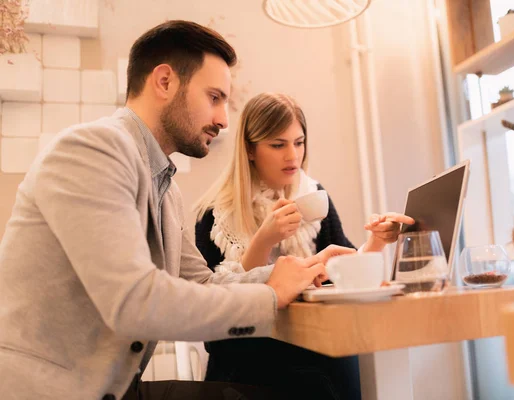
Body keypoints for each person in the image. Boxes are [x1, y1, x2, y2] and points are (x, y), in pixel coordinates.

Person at [0, 21, 354, 400]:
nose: (223, 119)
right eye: (214, 97)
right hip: (52, 392)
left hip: (118, 389)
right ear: (165, 81)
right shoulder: (93, 150)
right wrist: (270, 295)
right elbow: (135, 301)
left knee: (312, 388)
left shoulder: (166, 189)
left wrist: (292, 273)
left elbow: (200, 284)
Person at [195, 92, 415, 399]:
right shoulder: (215, 215)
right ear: (249, 149)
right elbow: (214, 320)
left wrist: (377, 240)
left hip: (311, 348)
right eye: (277, 144)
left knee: (342, 357)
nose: (292, 156)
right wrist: (264, 240)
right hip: (244, 359)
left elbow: (344, 272)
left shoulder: (313, 197)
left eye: (298, 142)